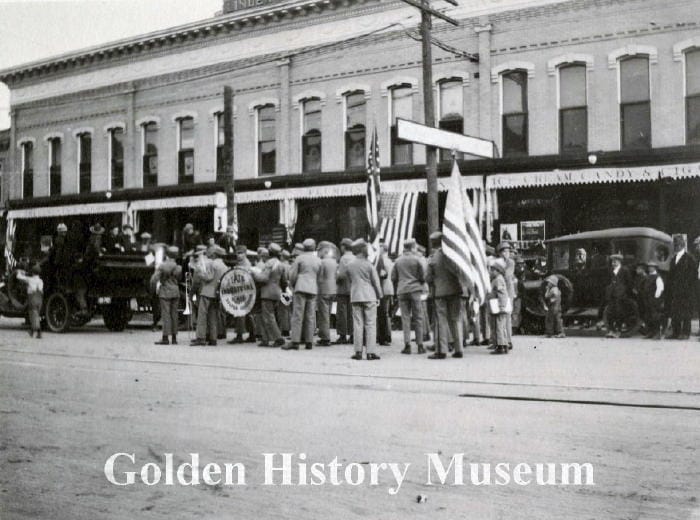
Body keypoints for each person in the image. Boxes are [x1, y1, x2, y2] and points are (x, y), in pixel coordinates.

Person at [426, 231, 464, 359]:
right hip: (455, 290)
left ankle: (441, 350)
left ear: (433, 243)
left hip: (440, 293)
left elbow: (428, 278)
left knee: (440, 321)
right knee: (455, 319)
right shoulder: (453, 255)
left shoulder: (433, 258)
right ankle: (459, 349)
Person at [344, 239, 382, 361]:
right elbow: (375, 282)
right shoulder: (369, 265)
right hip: (369, 295)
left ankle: (358, 351)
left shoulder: (349, 265)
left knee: (357, 324)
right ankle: (370, 352)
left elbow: (348, 279)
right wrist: (379, 295)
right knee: (370, 324)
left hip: (355, 295)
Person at [285, 238, 322, 350]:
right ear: (314, 247)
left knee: (298, 315)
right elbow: (320, 276)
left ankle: (295, 341)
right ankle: (309, 341)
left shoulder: (299, 258)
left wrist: (292, 284)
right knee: (310, 316)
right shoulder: (318, 260)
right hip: (313, 288)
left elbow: (292, 275)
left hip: (300, 287)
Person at [391, 238, 425, 355]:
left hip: (402, 289)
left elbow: (393, 277)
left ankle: (407, 345)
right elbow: (423, 276)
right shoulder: (417, 259)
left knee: (405, 318)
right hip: (415, 289)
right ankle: (420, 345)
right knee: (418, 317)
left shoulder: (398, 261)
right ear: (413, 247)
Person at [191, 246, 228, 346]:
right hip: (216, 293)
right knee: (213, 316)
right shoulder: (224, 266)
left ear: (215, 254)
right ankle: (213, 338)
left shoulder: (212, 264)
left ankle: (201, 338)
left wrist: (199, 272)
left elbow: (208, 277)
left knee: (202, 315)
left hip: (207, 291)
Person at [252, 242, 286, 347]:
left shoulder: (269, 263)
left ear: (270, 252)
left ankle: (278, 338)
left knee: (268, 317)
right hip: (276, 292)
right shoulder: (280, 264)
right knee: (266, 316)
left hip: (267, 292)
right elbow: (283, 281)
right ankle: (265, 339)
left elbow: (264, 278)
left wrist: (254, 274)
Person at [666, 234, 697, 340]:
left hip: (686, 291)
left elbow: (693, 277)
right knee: (675, 311)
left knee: (686, 312)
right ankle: (676, 332)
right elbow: (670, 275)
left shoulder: (689, 259)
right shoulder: (673, 258)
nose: (676, 246)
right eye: (675, 244)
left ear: (682, 245)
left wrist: (689, 289)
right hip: (675, 290)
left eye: (678, 244)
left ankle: (685, 333)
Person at [152, 246, 182, 345]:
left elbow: (153, 279)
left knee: (166, 315)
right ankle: (174, 338)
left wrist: (153, 290)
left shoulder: (162, 266)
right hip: (175, 292)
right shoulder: (178, 267)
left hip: (165, 292)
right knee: (174, 315)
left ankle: (165, 338)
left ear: (167, 255)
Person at [604, 253, 633, 338]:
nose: (613, 263)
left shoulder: (625, 270)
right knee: (610, 312)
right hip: (611, 294)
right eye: (612, 262)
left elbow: (629, 283)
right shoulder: (610, 271)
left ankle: (618, 330)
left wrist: (625, 292)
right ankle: (611, 330)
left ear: (619, 262)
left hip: (621, 295)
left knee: (619, 312)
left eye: (615, 262)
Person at [316, 243, 337, 346]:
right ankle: (325, 335)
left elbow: (319, 278)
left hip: (324, 290)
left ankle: (325, 338)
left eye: (319, 251)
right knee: (327, 313)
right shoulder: (334, 262)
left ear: (323, 251)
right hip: (333, 290)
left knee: (323, 315)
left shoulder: (322, 262)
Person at [334, 238, 354, 344]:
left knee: (342, 313)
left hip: (342, 289)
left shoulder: (343, 259)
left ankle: (342, 335)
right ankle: (352, 335)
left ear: (344, 247)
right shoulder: (354, 258)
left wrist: (335, 277)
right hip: (353, 289)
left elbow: (341, 275)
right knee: (352, 313)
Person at [488, 258, 510, 354]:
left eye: (493, 270)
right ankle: (504, 345)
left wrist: (501, 306)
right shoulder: (497, 279)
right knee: (500, 326)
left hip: (500, 307)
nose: (491, 272)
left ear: (498, 271)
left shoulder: (498, 280)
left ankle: (501, 346)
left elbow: (502, 294)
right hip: (500, 306)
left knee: (499, 327)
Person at [16, 264, 44, 339]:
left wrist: (20, 272)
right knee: (36, 315)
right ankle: (32, 331)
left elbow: (18, 277)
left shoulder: (30, 280)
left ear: (33, 272)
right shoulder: (41, 281)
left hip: (32, 299)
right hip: (40, 299)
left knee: (33, 316)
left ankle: (39, 332)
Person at [497, 241, 515, 349]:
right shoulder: (499, 262)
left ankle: (508, 340)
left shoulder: (510, 262)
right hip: (501, 292)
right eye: (503, 252)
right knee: (501, 317)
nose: (506, 254)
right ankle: (501, 340)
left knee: (507, 317)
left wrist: (498, 270)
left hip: (508, 292)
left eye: (508, 251)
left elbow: (507, 275)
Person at [376, 241, 394, 346]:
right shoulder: (389, 261)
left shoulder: (382, 261)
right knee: (386, 313)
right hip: (388, 287)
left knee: (383, 313)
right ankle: (386, 334)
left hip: (383, 288)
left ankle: (384, 335)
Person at [643, 261, 665, 339]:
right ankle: (650, 332)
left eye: (651, 267)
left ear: (655, 268)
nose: (650, 268)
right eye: (649, 267)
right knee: (648, 316)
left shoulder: (657, 277)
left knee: (655, 316)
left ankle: (657, 333)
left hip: (654, 299)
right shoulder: (647, 276)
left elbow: (660, 288)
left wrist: (656, 298)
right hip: (647, 299)